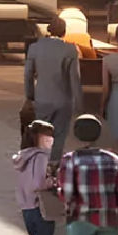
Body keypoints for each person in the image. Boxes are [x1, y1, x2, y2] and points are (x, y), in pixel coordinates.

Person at [26, 18, 82, 172]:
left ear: (49, 30)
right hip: (64, 100)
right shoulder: (70, 49)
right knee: (60, 135)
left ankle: (40, 164)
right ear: (64, 32)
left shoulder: (35, 48)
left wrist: (30, 95)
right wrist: (80, 104)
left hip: (42, 97)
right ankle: (54, 165)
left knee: (41, 133)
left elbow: (28, 75)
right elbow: (75, 79)